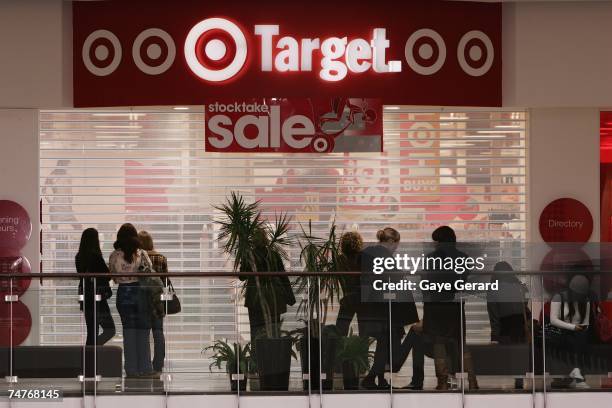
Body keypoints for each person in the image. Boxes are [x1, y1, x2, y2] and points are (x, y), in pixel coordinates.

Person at [359, 227, 419, 389]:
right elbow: (395, 282)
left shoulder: (366, 254)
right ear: (391, 241)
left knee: (383, 345)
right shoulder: (385, 257)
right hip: (386, 310)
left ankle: (378, 379)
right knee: (392, 348)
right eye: (396, 244)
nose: (397, 248)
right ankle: (372, 378)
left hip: (371, 309)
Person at [421, 226, 478, 390]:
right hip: (455, 305)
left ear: (439, 241)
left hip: (436, 305)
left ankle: (442, 381)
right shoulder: (464, 257)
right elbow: (464, 282)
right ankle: (473, 381)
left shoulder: (430, 258)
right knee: (461, 343)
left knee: (438, 343)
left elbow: (426, 283)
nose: (434, 244)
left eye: (435, 241)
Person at [109, 223, 155, 378]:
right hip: (140, 293)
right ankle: (146, 368)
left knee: (128, 332)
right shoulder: (141, 253)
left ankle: (131, 370)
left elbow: (114, 277)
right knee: (143, 331)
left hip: (123, 293)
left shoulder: (115, 255)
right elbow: (150, 271)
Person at [239, 228, 296, 341]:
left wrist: (243, 256)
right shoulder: (274, 255)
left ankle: (256, 356)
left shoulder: (250, 255)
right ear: (265, 239)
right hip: (274, 298)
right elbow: (282, 276)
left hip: (255, 300)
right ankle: (273, 356)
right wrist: (290, 298)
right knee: (274, 331)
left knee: (256, 331)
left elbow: (242, 276)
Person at [486, 261, 530, 389]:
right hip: (520, 322)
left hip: (505, 323)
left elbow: (493, 313)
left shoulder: (493, 289)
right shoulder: (520, 286)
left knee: (507, 353)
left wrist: (494, 334)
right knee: (519, 352)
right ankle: (520, 378)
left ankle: (507, 378)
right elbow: (526, 302)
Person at [548, 274, 592, 389]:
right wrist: (573, 327)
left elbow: (586, 322)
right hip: (561, 332)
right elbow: (553, 320)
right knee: (575, 339)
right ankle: (578, 375)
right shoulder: (559, 298)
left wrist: (580, 328)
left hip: (578, 333)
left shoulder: (585, 302)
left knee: (582, 337)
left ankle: (577, 372)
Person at [76, 228, 115, 346]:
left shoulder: (79, 257)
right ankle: (93, 350)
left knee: (91, 332)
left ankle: (89, 358)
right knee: (110, 330)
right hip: (98, 298)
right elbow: (107, 275)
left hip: (86, 297)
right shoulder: (96, 257)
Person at [138, 230, 167, 375]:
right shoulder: (161, 258)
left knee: (143, 333)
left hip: (142, 299)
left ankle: (145, 364)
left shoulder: (137, 259)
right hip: (157, 300)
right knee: (158, 332)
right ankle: (158, 364)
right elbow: (165, 281)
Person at [335, 231, 363, 337]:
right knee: (363, 330)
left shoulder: (340, 260)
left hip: (348, 297)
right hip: (362, 298)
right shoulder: (363, 257)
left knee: (341, 327)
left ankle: (340, 351)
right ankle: (363, 352)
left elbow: (340, 279)